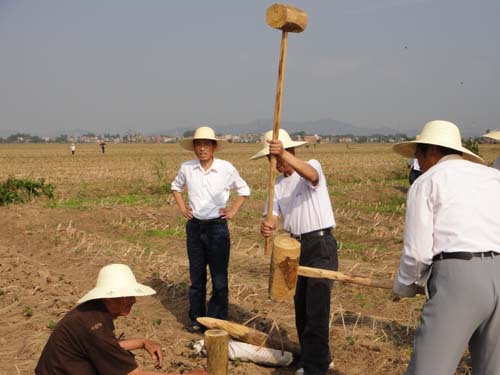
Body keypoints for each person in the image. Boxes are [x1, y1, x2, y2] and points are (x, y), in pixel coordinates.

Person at [392, 120, 500, 375]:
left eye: (418, 155)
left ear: (431, 151)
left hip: (460, 279)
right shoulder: (493, 176)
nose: (417, 163)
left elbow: (417, 252)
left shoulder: (427, 181)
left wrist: (403, 286)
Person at [251, 129, 338, 375]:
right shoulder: (276, 185)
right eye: (272, 160)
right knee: (301, 307)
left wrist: (284, 155)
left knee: (317, 307)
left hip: (321, 245)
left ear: (290, 152)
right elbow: (273, 217)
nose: (276, 164)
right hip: (295, 248)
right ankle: (316, 358)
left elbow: (311, 176)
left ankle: (316, 367)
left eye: (278, 158)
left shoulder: (311, 166)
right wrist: (268, 226)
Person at [35, 263, 207, 375]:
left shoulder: (92, 312)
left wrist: (142, 342)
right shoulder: (94, 326)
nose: (133, 300)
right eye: (126, 296)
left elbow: (105, 347)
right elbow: (132, 374)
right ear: (109, 297)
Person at [171, 126, 250, 332]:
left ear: (214, 147)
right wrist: (182, 208)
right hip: (195, 228)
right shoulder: (187, 168)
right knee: (196, 277)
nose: (202, 148)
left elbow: (244, 190)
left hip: (217, 228)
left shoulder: (226, 168)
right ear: (194, 148)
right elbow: (175, 187)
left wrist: (232, 211)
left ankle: (217, 321)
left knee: (219, 278)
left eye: (206, 144)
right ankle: (197, 320)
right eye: (198, 144)